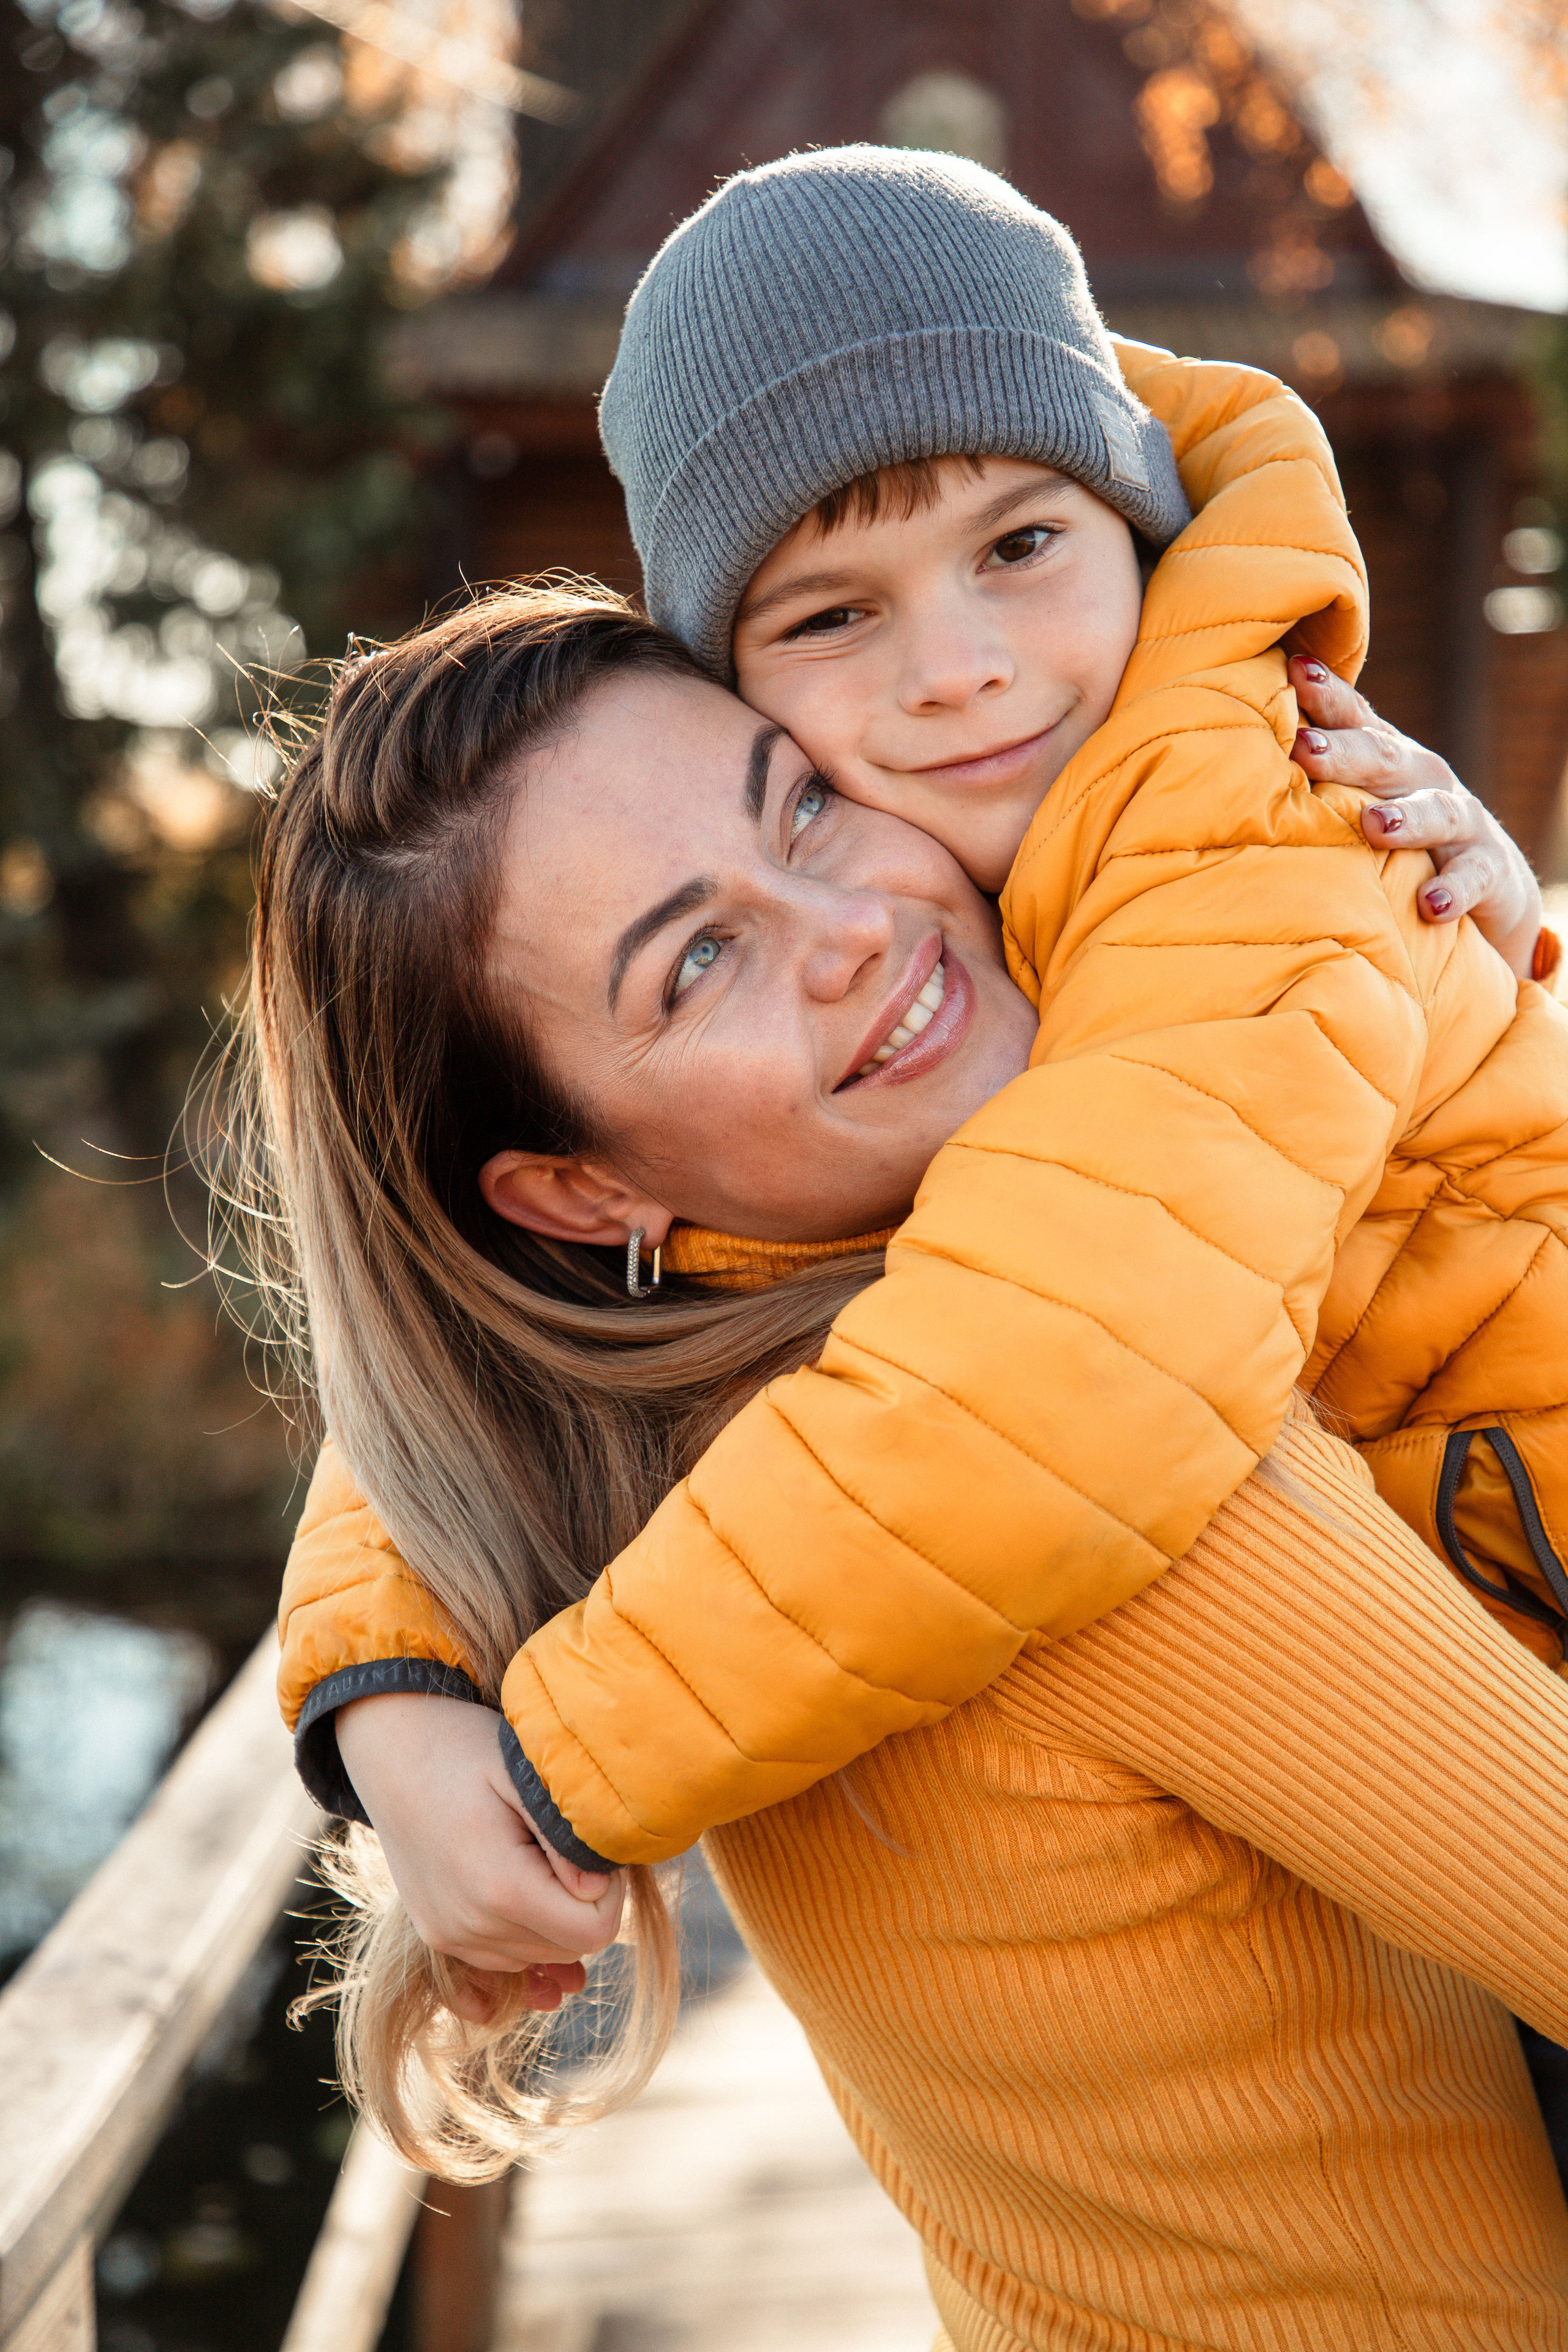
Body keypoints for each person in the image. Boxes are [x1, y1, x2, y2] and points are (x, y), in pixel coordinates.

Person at [219, 583, 1568, 2347]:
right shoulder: (1083, 1460)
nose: (850, 925)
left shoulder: (688, 1441)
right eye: (697, 961)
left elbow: (434, 1358)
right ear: (580, 1194)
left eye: (805, 804)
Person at [279, 151, 1568, 1911]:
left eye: (1021, 545)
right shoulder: (978, 867)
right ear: (733, 675)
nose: (957, 667)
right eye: (833, 616)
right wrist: (382, 1672)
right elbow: (466, 1318)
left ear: (1135, 517)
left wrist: (570, 1760)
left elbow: (1060, 1371)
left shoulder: (1235, 822)